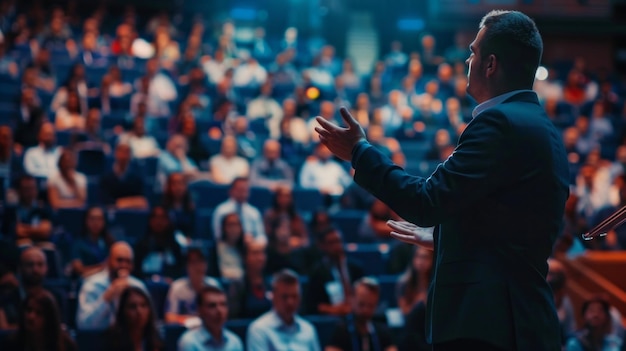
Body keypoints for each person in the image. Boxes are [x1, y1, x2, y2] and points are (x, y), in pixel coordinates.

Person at [314, 10, 569, 351]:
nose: (468, 59)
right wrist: (447, 235)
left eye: (473, 52)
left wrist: (359, 152)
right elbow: (513, 228)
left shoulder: (498, 124)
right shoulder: (543, 128)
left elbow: (426, 201)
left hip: (485, 323)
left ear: (490, 65)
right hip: (520, 318)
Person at [76, 241, 147, 330]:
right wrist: (108, 296)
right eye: (119, 260)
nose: (124, 265)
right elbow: (84, 325)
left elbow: (150, 325)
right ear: (109, 261)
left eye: (128, 261)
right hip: (101, 340)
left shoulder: (139, 287)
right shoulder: (92, 285)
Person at [246, 269, 321, 351]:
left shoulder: (308, 330)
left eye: (294, 296)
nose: (290, 302)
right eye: (285, 297)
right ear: (273, 297)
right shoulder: (259, 329)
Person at [326, 277, 398, 351]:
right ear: (352, 300)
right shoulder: (340, 332)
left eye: (370, 306)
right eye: (361, 304)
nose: (365, 310)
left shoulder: (382, 333)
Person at [5, 290, 77, 351]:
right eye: (29, 310)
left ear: (49, 318)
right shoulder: (13, 343)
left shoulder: (66, 345)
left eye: (39, 313)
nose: (31, 317)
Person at [177, 285, 244, 351]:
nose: (219, 311)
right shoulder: (189, 342)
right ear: (200, 310)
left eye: (223, 304)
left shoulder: (234, 341)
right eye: (212, 305)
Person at [164, 247, 221, 324]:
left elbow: (222, 314)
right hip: (184, 331)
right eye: (193, 262)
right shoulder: (177, 287)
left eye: (201, 261)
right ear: (187, 266)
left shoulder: (214, 286)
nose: (197, 266)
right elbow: (169, 318)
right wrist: (192, 321)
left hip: (210, 330)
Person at [104, 286, 164, 351]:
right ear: (123, 311)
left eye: (143, 305)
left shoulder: (157, 339)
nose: (139, 311)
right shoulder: (113, 342)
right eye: (132, 306)